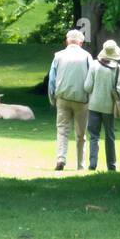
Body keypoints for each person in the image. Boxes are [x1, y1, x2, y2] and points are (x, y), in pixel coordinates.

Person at [47, 28, 91, 171]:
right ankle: (81, 164)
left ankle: (61, 159)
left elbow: (52, 80)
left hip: (63, 98)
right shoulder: (86, 56)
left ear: (67, 41)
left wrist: (52, 98)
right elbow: (91, 79)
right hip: (81, 99)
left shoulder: (58, 56)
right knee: (81, 134)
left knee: (62, 130)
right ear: (81, 42)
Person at [83, 39, 120, 172]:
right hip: (109, 107)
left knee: (93, 135)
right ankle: (111, 165)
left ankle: (92, 163)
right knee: (110, 136)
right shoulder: (118, 69)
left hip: (94, 105)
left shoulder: (94, 65)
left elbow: (87, 87)